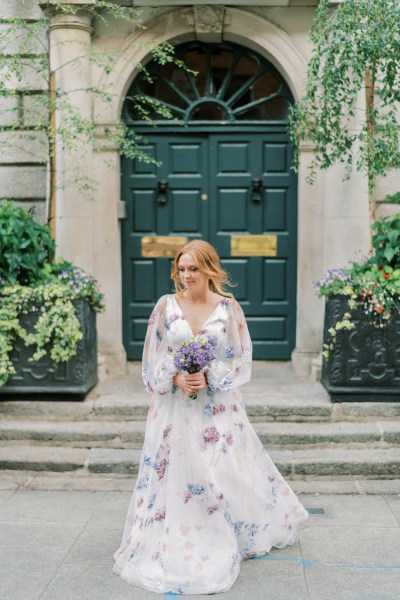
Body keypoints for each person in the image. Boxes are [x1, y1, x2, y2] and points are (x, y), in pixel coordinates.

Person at [112, 240, 308, 595]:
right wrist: (174, 376)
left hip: (215, 407)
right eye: (181, 269)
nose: (186, 276)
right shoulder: (165, 306)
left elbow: (241, 358)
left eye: (193, 269)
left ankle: (226, 526)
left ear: (209, 269)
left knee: (219, 469)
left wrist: (209, 374)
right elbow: (151, 358)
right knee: (179, 471)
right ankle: (178, 529)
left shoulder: (229, 309)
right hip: (174, 409)